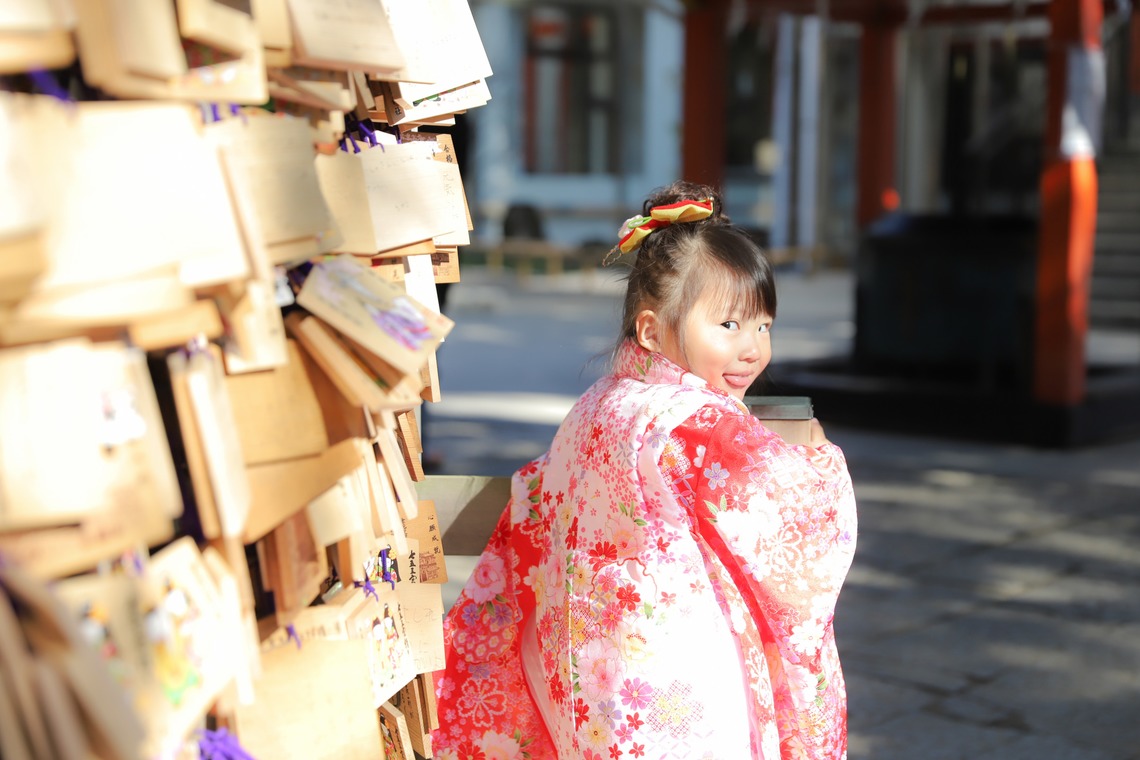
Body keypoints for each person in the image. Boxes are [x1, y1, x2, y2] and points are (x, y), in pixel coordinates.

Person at [432, 181, 858, 760]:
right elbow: (798, 517)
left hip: (591, 675)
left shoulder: (602, 403)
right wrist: (816, 451)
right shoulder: (693, 424)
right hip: (675, 689)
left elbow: (540, 492)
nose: (753, 349)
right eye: (728, 327)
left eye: (763, 326)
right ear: (652, 330)